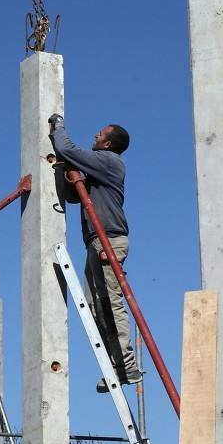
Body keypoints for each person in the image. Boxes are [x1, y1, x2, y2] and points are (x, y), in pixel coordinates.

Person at [48, 114, 142, 389]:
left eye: (100, 135)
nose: (95, 137)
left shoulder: (110, 162)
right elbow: (76, 196)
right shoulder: (100, 168)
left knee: (111, 302)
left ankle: (126, 365)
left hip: (109, 240)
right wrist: (68, 177)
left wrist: (58, 128)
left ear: (109, 144)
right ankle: (115, 365)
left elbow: (68, 149)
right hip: (96, 242)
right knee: (94, 306)